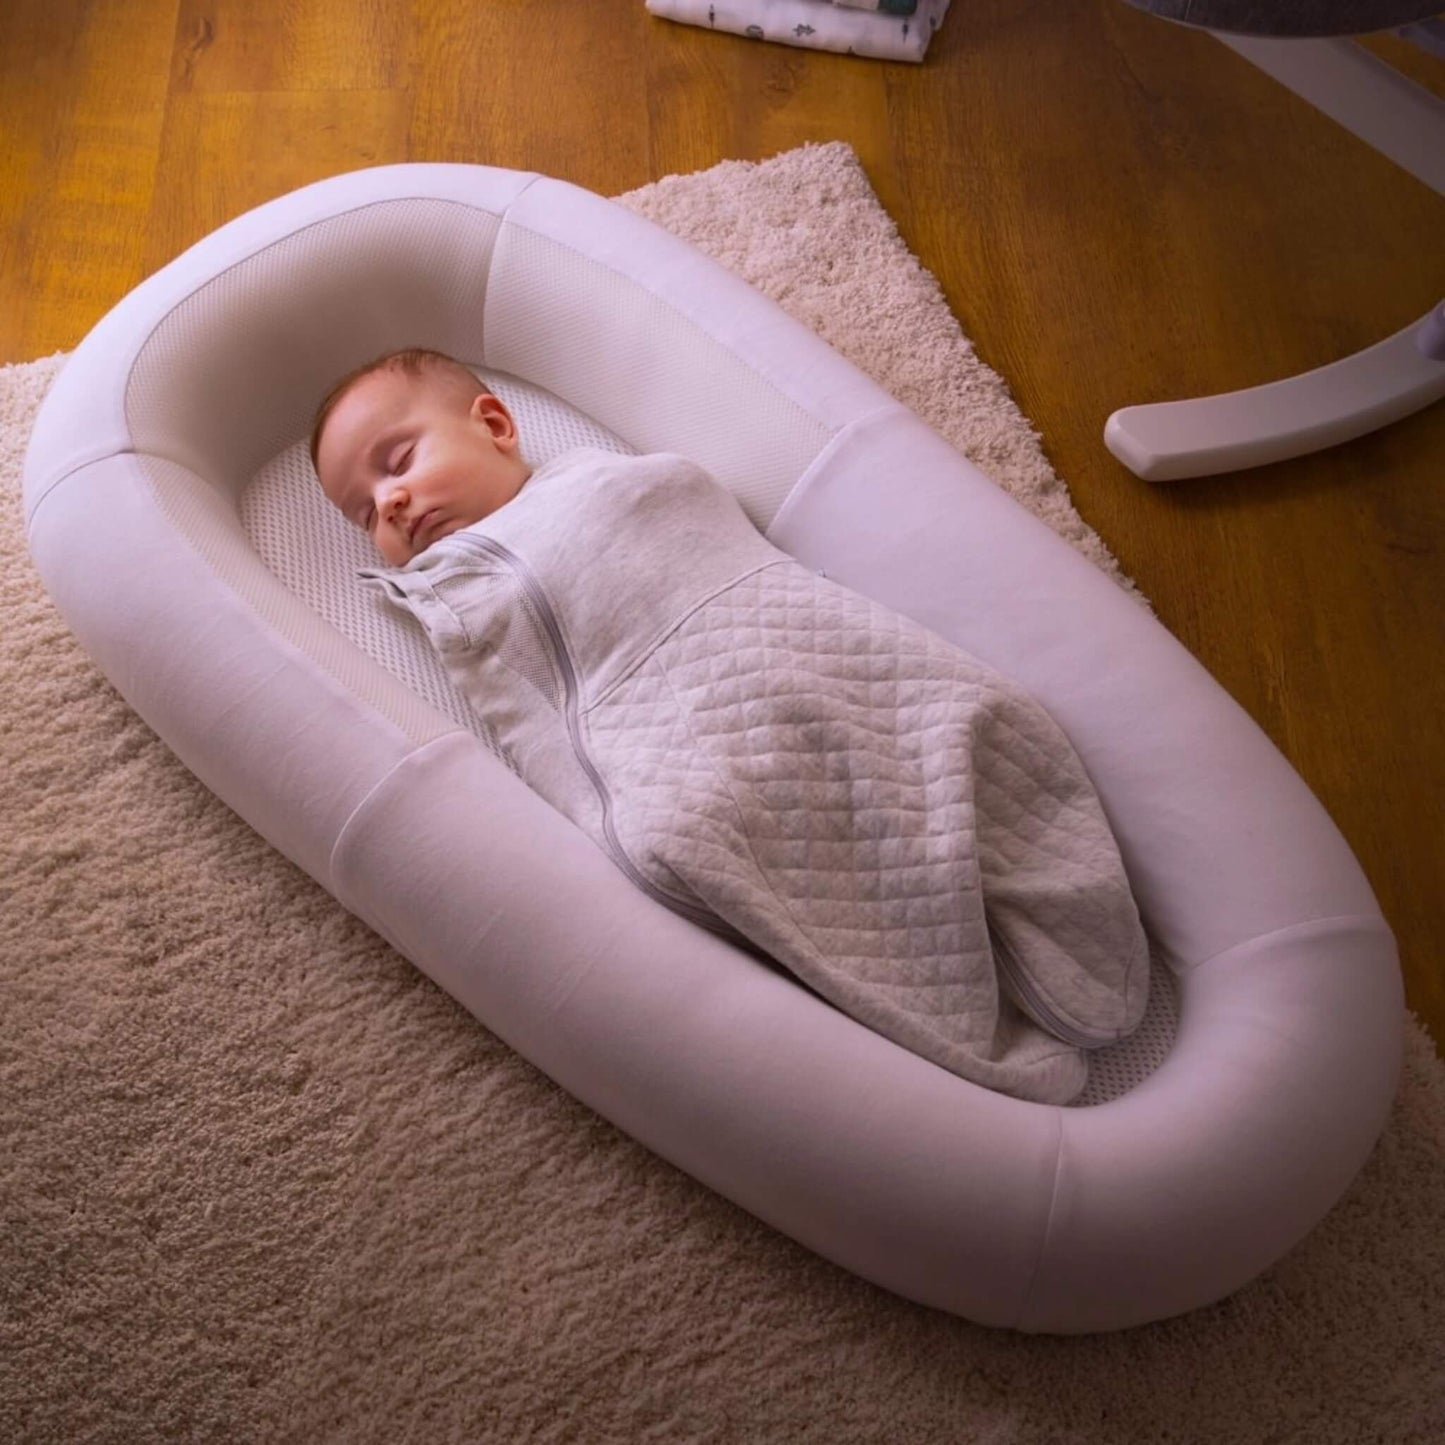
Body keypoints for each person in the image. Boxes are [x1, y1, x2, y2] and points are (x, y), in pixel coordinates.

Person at [310, 348, 1151, 1104]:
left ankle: (1035, 906)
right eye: (363, 511)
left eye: (399, 461)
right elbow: (545, 719)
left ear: (492, 423)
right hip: (659, 736)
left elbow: (706, 532)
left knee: (931, 717)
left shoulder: (612, 485)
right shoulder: (461, 598)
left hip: (783, 636)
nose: (390, 501)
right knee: (696, 831)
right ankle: (955, 1024)